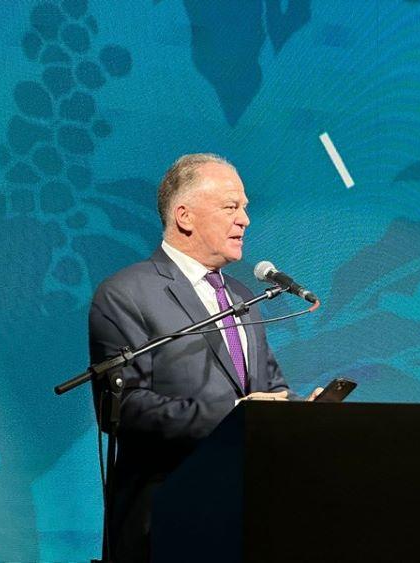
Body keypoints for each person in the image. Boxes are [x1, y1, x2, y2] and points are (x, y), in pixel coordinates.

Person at [89, 153, 321, 562]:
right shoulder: (127, 293)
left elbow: (269, 389)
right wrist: (235, 415)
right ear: (185, 216)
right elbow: (127, 408)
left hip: (245, 520)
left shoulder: (243, 297)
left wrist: (301, 413)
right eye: (231, 207)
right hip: (164, 522)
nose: (244, 220)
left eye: (245, 208)